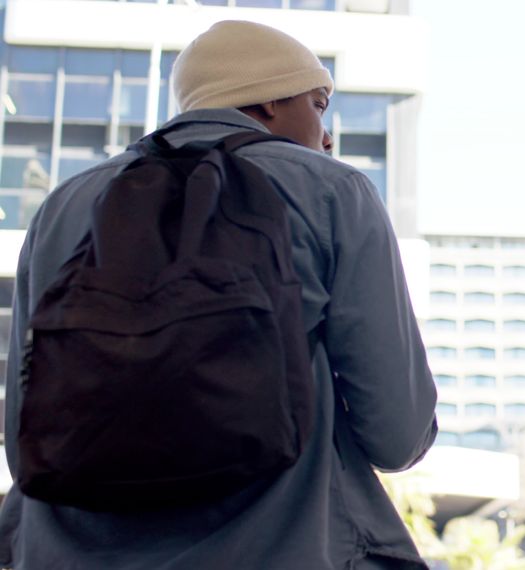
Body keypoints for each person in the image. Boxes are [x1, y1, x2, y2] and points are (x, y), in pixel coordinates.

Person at [0, 20, 438, 569]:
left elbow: (24, 437)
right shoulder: (330, 189)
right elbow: (396, 434)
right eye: (319, 105)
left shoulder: (64, 205)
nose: (327, 136)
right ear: (271, 98)